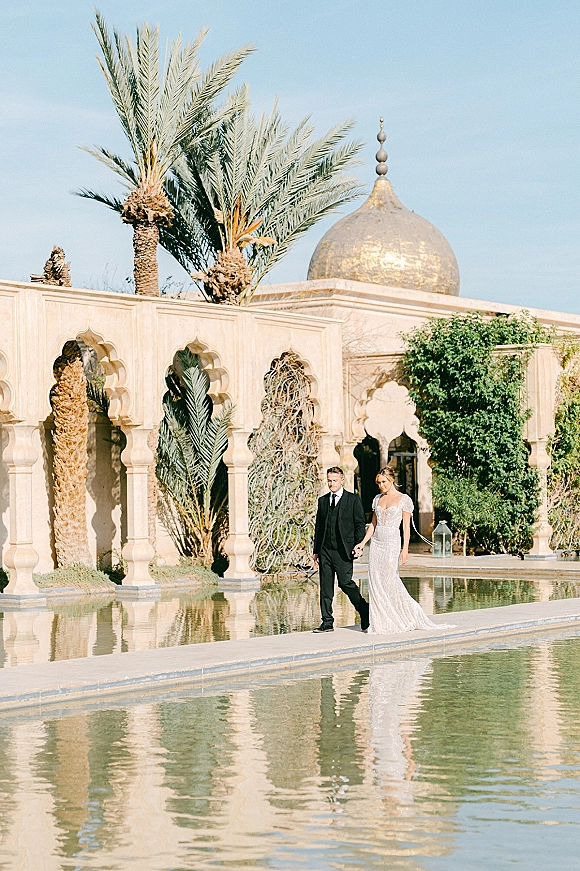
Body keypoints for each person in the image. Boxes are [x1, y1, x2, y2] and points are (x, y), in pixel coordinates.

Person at [353, 467, 453, 634]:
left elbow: (406, 528)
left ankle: (410, 614)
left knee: (390, 581)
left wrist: (404, 550)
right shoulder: (377, 499)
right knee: (376, 581)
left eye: (383, 482)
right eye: (378, 483)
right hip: (377, 543)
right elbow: (373, 525)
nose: (381, 486)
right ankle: (381, 621)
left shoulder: (403, 499)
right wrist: (362, 543)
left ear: (392, 480)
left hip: (392, 542)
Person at [313, 466, 369, 632]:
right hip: (325, 550)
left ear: (342, 480)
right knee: (325, 586)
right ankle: (327, 621)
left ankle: (364, 609)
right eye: (329, 480)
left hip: (343, 550)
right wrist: (316, 550)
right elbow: (319, 527)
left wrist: (358, 545)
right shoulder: (323, 501)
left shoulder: (352, 500)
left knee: (346, 583)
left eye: (334, 480)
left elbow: (360, 524)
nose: (331, 484)